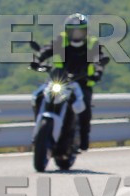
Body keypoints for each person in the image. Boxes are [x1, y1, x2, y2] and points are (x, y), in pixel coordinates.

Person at [33, 13, 109, 151]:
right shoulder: (60, 41)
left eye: (79, 31)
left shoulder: (92, 44)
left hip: (82, 82)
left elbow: (99, 58)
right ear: (67, 31)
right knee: (39, 96)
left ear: (85, 31)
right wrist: (37, 60)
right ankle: (40, 130)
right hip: (60, 80)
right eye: (73, 31)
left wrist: (98, 71)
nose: (76, 34)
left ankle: (83, 139)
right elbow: (47, 50)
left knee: (84, 106)